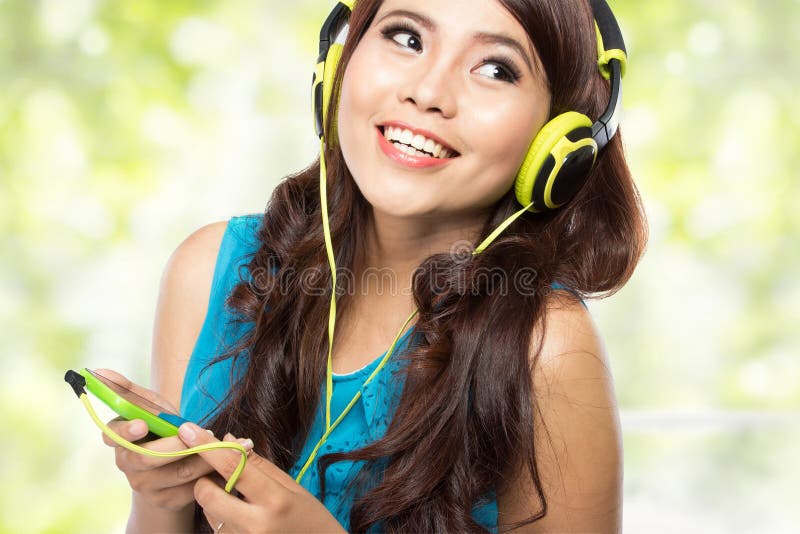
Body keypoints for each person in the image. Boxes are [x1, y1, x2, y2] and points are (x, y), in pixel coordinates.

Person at [101, 0, 647, 532]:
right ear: (338, 64)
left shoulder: (547, 348)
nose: (428, 92)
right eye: (407, 37)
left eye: (496, 68)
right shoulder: (209, 271)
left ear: (558, 146)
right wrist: (160, 497)